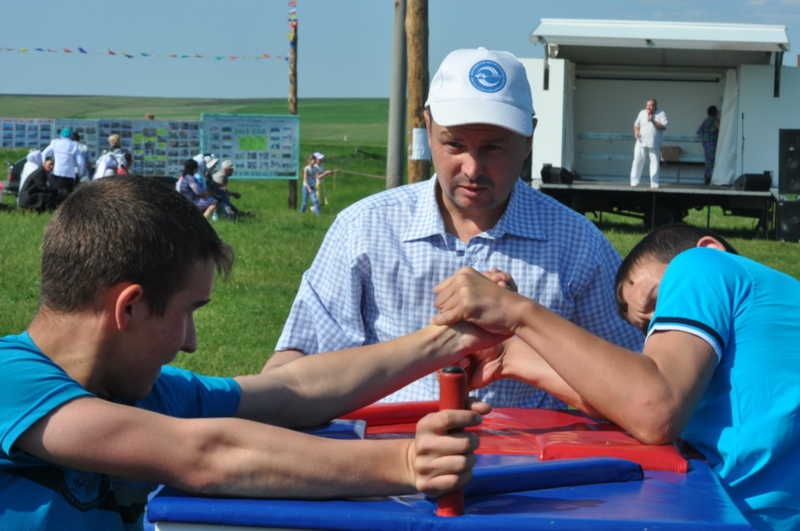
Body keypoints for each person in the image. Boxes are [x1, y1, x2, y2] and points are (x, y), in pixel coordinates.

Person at [0, 175, 503, 530]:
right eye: (187, 312)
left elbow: (291, 390)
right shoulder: (9, 381)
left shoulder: (142, 393)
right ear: (128, 308)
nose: (191, 343)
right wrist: (406, 461)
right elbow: (205, 454)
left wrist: (450, 339)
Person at [265, 47, 643, 408]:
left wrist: (522, 333)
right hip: (381, 449)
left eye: (493, 148)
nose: (473, 168)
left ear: (528, 138)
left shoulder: (577, 244)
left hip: (523, 459)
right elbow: (296, 358)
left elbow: (631, 380)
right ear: (428, 128)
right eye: (454, 144)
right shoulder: (364, 228)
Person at [431, 224, 800, 531]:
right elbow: (632, 403)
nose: (658, 326)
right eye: (649, 328)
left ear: (712, 249)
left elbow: (653, 408)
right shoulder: (766, 323)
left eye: (661, 303)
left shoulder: (703, 263)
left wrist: (515, 311)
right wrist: (509, 355)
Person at [630, 98, 668, 188]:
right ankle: (634, 181)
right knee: (638, 160)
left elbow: (663, 127)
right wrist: (636, 131)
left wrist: (653, 121)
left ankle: (654, 183)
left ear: (655, 106)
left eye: (651, 105)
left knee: (654, 162)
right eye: (647, 105)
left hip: (654, 142)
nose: (648, 107)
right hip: (641, 141)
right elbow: (636, 125)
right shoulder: (642, 112)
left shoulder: (661, 113)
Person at [41, 127, 84, 200]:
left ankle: (53, 208)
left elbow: (44, 153)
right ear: (71, 135)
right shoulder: (74, 145)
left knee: (54, 194)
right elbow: (80, 161)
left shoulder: (55, 142)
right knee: (68, 196)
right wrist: (80, 173)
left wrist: (47, 163)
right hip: (69, 173)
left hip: (56, 172)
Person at [697, 105, 720, 185]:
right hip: (713, 142)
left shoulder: (706, 121)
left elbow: (699, 132)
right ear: (714, 112)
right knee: (713, 160)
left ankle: (707, 176)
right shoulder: (716, 120)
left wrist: (706, 135)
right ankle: (710, 177)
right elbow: (720, 129)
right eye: (717, 111)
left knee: (708, 160)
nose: (718, 112)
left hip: (706, 143)